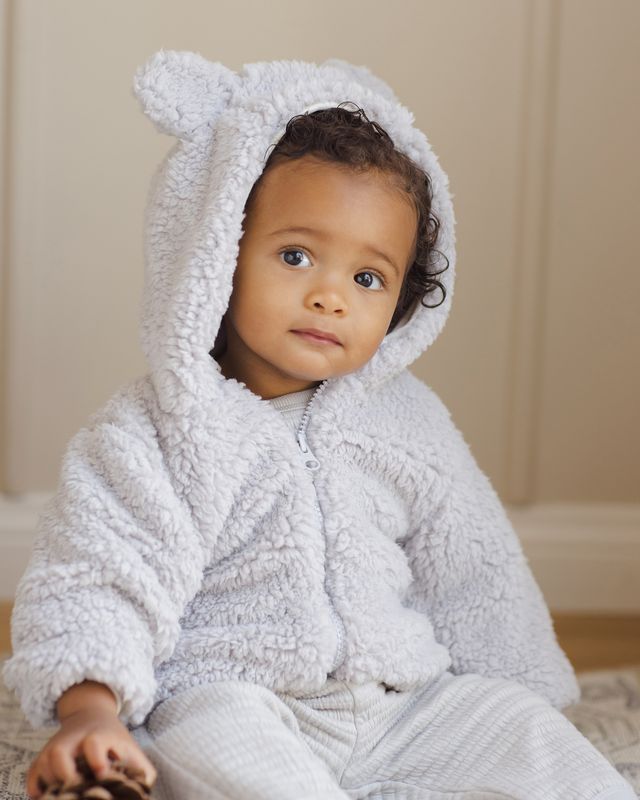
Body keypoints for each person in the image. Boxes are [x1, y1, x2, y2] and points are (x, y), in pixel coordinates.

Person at [3, 51, 636, 800]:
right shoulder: (157, 432)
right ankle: (114, 767)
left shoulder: (407, 422)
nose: (332, 296)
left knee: (525, 733)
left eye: (368, 278)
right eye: (296, 255)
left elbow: (473, 567)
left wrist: (526, 684)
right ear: (218, 255)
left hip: (400, 704)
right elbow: (99, 575)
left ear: (402, 300)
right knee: (211, 747)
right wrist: (89, 710)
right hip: (237, 696)